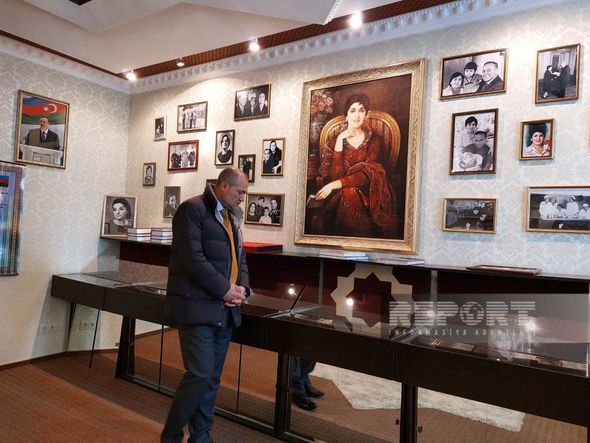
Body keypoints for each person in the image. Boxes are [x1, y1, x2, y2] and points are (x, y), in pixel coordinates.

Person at [161, 168, 250, 443]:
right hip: (196, 308)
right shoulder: (192, 210)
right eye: (240, 192)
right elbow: (193, 260)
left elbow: (240, 258)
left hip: (225, 310)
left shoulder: (232, 217)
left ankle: (201, 435)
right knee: (199, 375)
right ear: (223, 185)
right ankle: (171, 435)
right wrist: (225, 289)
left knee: (212, 378)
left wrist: (242, 289)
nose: (243, 199)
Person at [312, 94, 395, 238]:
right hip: (337, 196)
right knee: (349, 192)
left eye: (361, 110)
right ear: (346, 116)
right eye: (353, 110)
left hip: (370, 195)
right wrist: (340, 141)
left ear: (366, 115)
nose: (357, 115)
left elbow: (368, 175)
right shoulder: (334, 141)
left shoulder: (374, 140)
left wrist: (334, 184)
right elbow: (335, 176)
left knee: (350, 192)